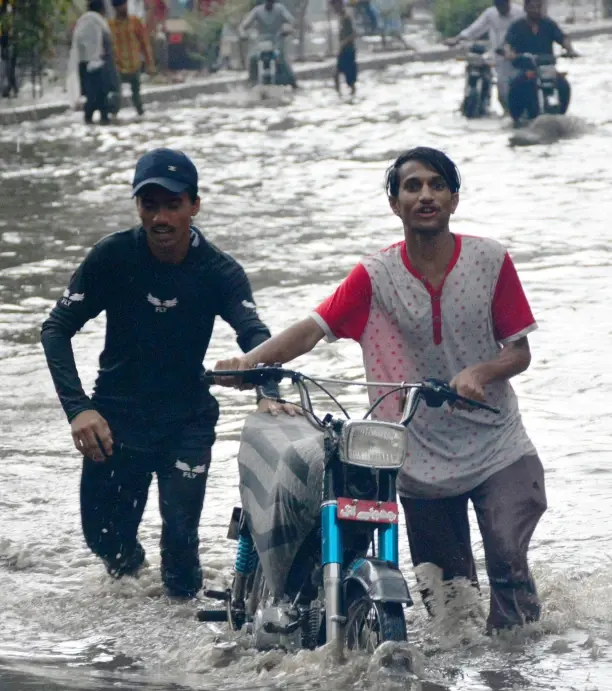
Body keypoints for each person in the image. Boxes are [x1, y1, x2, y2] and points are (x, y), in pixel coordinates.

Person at [214, 147, 547, 632]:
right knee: (450, 605)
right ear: (395, 203)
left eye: (437, 185)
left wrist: (482, 371)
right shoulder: (374, 276)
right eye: (412, 186)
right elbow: (311, 329)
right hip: (416, 455)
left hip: (498, 444)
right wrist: (248, 363)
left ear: (454, 199)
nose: (425, 195)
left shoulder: (490, 260)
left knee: (507, 560)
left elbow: (519, 352)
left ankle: (517, 682)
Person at [41, 149, 293, 600]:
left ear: (194, 206)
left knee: (180, 549)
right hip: (114, 422)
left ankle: (187, 648)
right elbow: (55, 330)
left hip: (186, 421)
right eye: (149, 204)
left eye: (172, 205)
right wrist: (79, 410)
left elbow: (254, 335)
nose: (160, 217)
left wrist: (264, 387)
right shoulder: (113, 256)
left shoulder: (219, 270)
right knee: (108, 545)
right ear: (137, 206)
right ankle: (129, 620)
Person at [504, 0, 576, 123]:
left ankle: (562, 115)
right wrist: (509, 53)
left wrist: (569, 49)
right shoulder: (517, 26)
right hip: (526, 69)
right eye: (532, 7)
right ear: (526, 8)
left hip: (547, 68)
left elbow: (563, 38)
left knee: (563, 84)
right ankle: (516, 117)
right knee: (516, 84)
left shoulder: (549, 24)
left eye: (538, 7)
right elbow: (508, 43)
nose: (536, 10)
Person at [445, 0, 524, 110]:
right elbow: (475, 28)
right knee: (502, 90)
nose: (501, 8)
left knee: (519, 85)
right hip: (499, 56)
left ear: (508, 2)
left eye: (504, 5)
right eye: (498, 5)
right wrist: (457, 39)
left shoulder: (519, 13)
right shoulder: (490, 14)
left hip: (517, 56)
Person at [69, 0, 120, 124]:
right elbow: (108, 46)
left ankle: (89, 120)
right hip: (101, 66)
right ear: (102, 10)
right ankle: (103, 120)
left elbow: (75, 46)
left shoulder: (81, 22)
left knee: (90, 99)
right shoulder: (101, 23)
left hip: (84, 66)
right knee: (102, 100)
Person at [109, 0, 155, 117]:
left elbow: (145, 44)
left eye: (125, 5)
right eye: (121, 6)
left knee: (137, 99)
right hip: (117, 67)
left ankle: (141, 117)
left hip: (134, 65)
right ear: (115, 8)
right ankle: (113, 120)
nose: (124, 8)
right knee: (116, 98)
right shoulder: (110, 25)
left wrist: (150, 64)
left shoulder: (135, 22)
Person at [238, 0, 298, 88]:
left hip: (276, 41)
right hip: (261, 43)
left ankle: (292, 82)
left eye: (271, 1)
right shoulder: (257, 11)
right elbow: (243, 26)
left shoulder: (280, 9)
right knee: (252, 58)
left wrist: (288, 30)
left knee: (282, 60)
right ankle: (252, 81)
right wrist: (243, 34)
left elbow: (292, 21)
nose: (269, 3)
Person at [332, 0, 357, 97]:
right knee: (337, 73)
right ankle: (339, 93)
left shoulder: (347, 18)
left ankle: (350, 92)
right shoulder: (341, 18)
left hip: (348, 50)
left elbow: (353, 33)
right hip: (343, 50)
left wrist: (343, 43)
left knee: (348, 75)